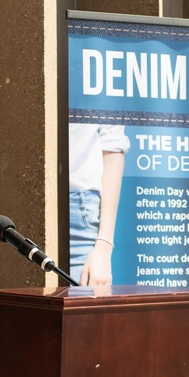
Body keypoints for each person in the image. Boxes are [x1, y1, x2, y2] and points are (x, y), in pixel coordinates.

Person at [68, 122, 129, 285]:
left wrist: (104, 246)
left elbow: (113, 145)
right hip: (14, 200)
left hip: (77, 219)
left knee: (80, 306)